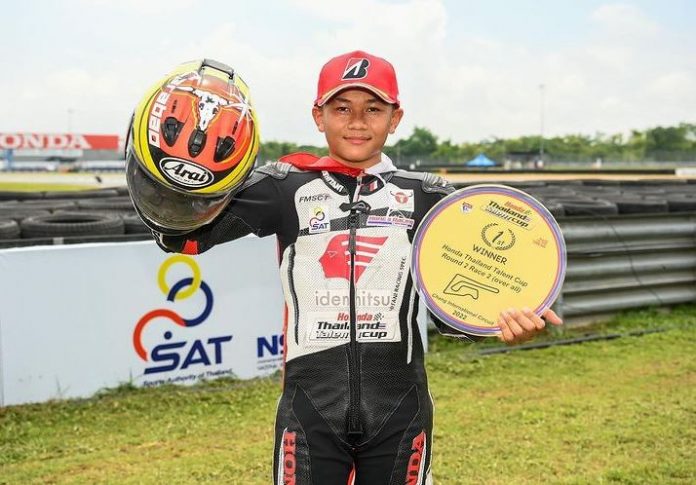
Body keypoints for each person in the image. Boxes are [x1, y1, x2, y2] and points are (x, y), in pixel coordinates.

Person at [127, 51, 562, 484]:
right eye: (341, 108)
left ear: (395, 118)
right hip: (309, 411)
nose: (357, 122)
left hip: (400, 409)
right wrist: (172, 178)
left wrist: (502, 320)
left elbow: (453, 315)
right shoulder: (285, 186)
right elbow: (183, 236)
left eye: (373, 109)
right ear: (318, 116)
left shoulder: (430, 197)